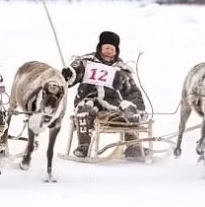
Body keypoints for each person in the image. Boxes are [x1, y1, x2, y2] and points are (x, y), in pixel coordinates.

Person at [62, 31, 147, 160]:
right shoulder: (86, 62)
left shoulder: (120, 68)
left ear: (116, 51)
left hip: (112, 106)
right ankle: (83, 146)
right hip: (89, 101)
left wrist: (139, 108)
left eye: (112, 49)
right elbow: (75, 73)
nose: (109, 51)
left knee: (129, 110)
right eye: (106, 48)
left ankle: (133, 146)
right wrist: (69, 74)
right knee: (84, 108)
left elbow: (132, 91)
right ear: (100, 47)